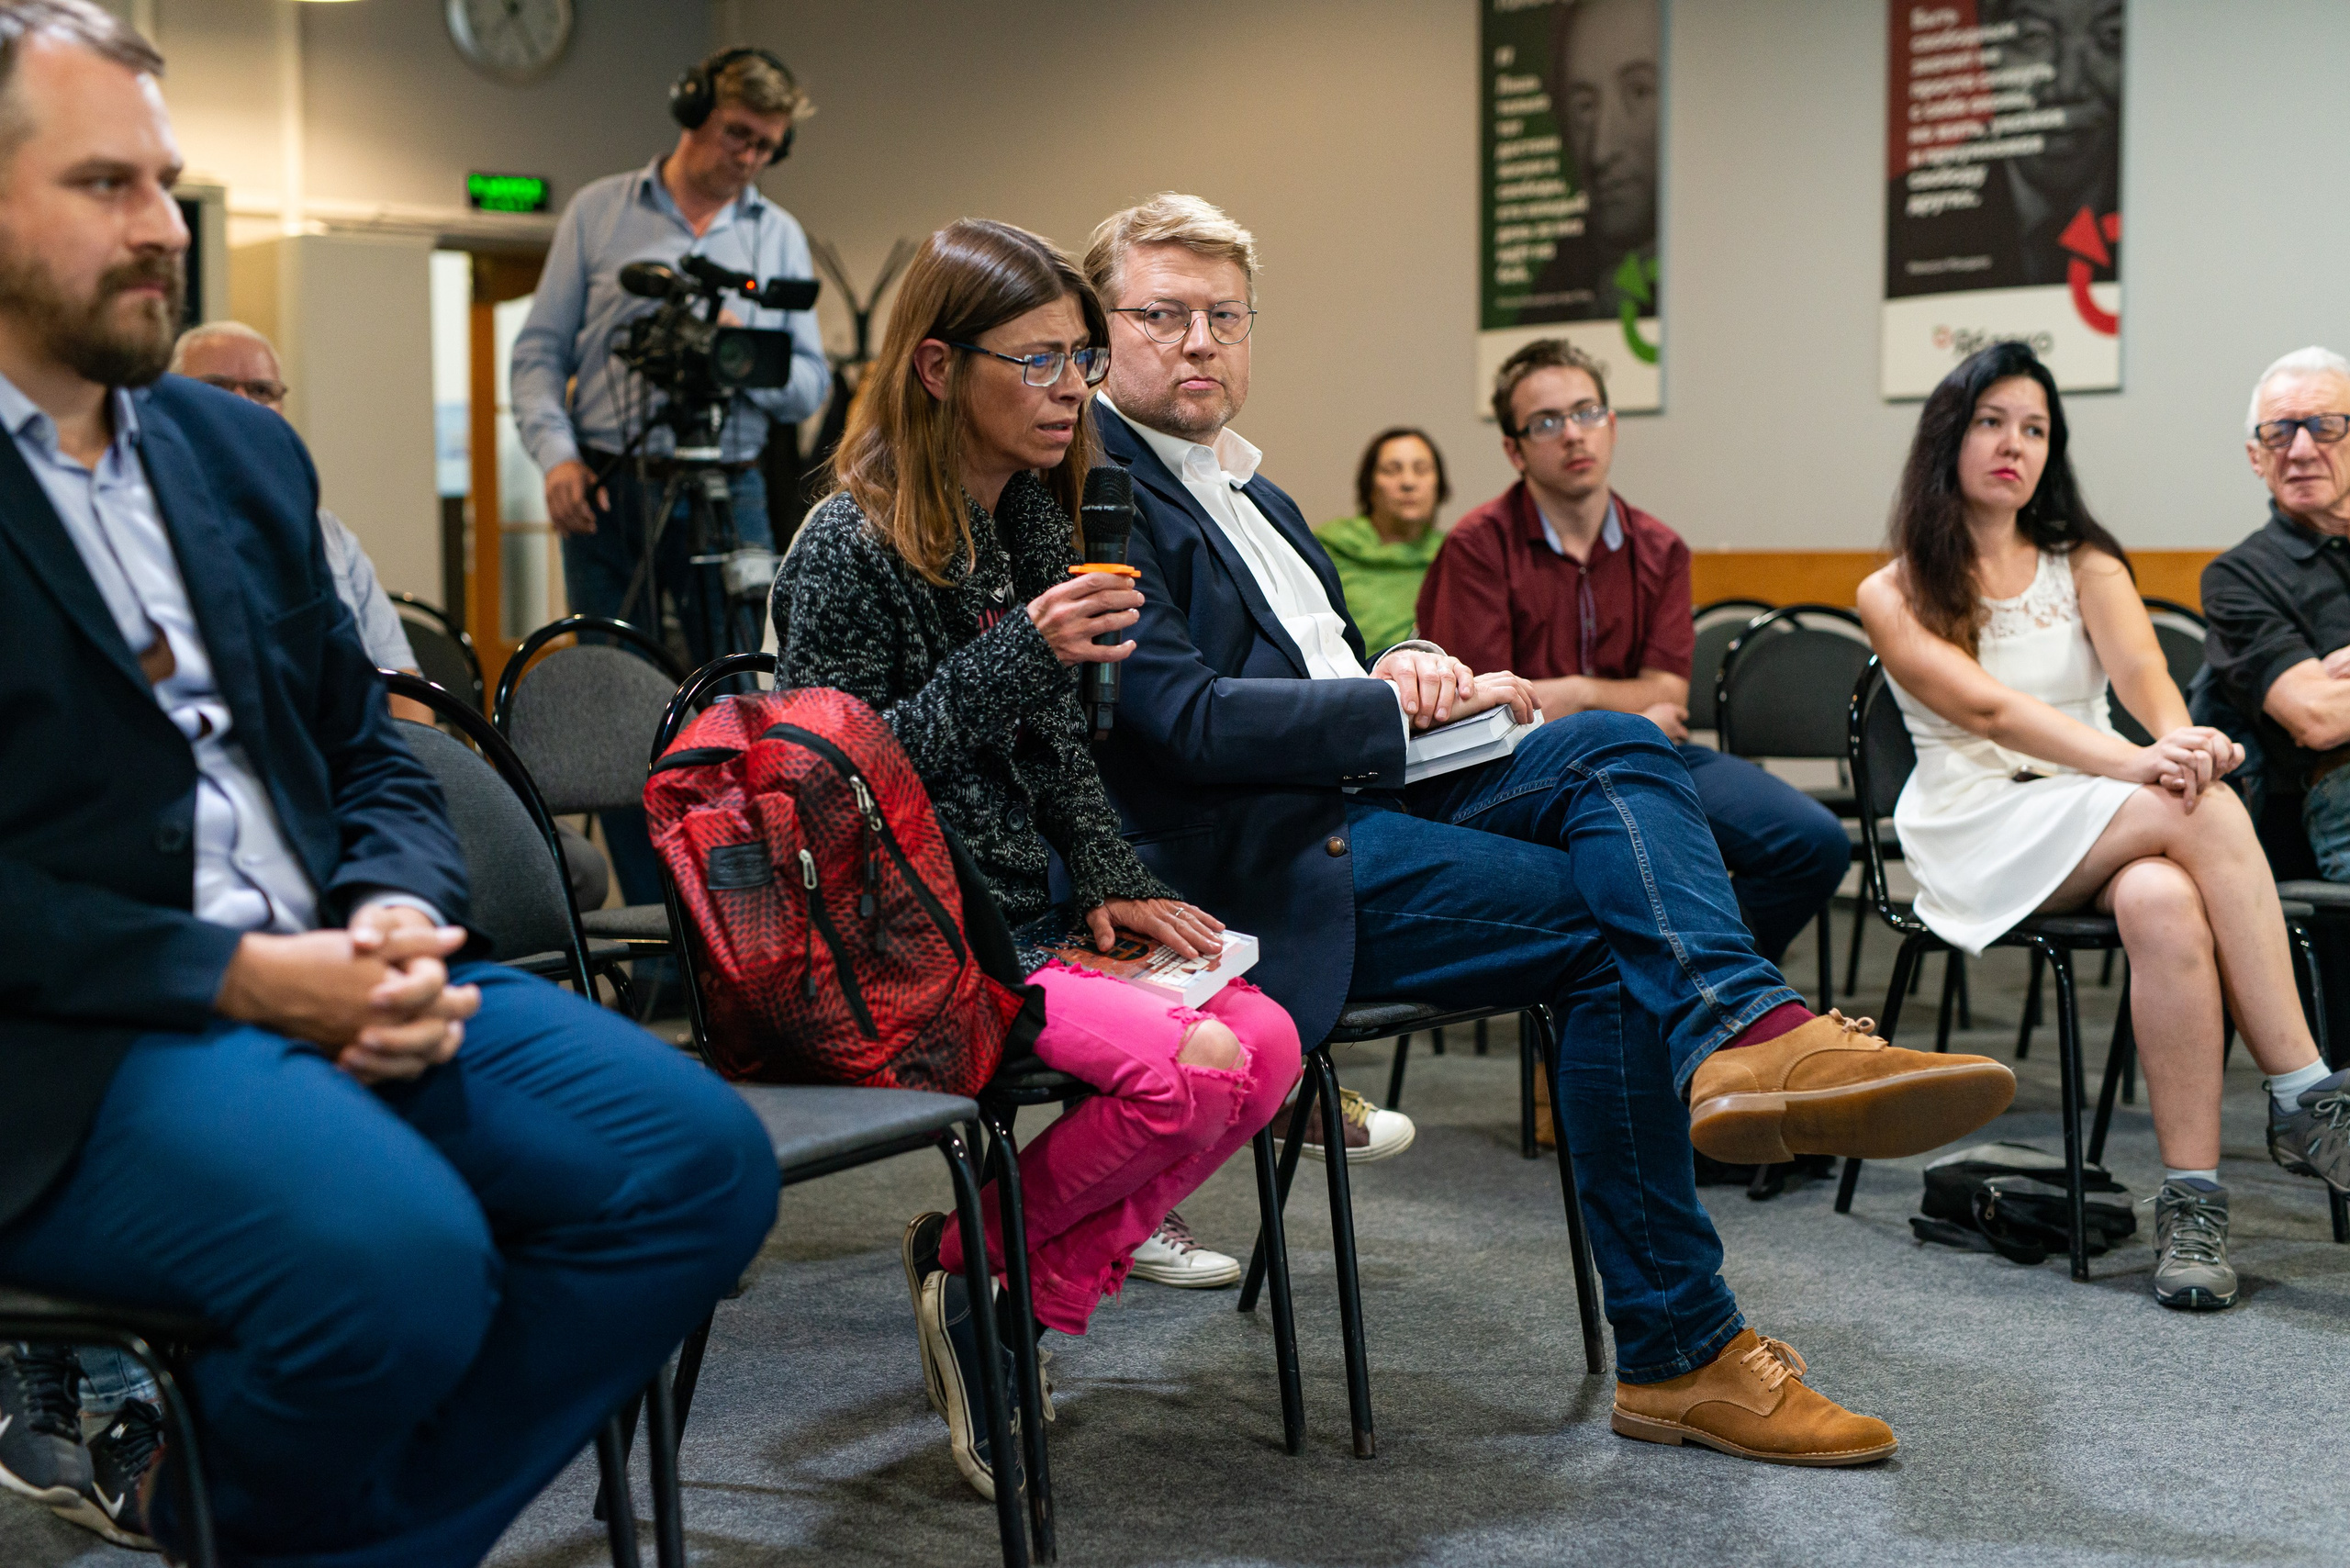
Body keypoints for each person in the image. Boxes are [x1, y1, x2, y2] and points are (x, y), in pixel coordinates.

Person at [0, 6, 777, 1561]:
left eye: (165, 181)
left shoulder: (235, 454)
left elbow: (369, 744)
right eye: (104, 184)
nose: (164, 228)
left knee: (698, 1169)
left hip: (344, 962)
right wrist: (246, 978)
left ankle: (249, 1521)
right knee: (400, 1265)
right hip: (78, 1036)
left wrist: (395, 910)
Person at [1083, 192, 2014, 1465]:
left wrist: (1411, 665)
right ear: (1102, 332)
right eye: (1164, 315)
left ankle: (1749, 1037)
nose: (1200, 341)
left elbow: (1321, 665)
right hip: (1261, 856)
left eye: (1225, 317)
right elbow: (1183, 722)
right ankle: (1684, 1340)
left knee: (1619, 744)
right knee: (1611, 932)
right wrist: (1379, 706)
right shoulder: (1094, 494)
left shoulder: (1259, 492)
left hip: (1365, 787)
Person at [767, 218, 1302, 1500]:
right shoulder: (846, 545)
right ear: (939, 368)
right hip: (906, 936)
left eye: (1080, 357)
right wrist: (1022, 649)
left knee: (1269, 1047)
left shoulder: (1028, 522)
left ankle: (990, 1282)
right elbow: (837, 796)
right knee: (1181, 1076)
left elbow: (1061, 756)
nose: (1072, 389)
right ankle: (983, 1283)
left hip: (1027, 917)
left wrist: (1118, 879)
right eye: (1040, 360)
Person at [1855, 342, 2350, 1314]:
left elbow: (2145, 679)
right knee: (2198, 808)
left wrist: (2182, 743)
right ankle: (2304, 1091)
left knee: (2163, 898)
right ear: (1948, 438)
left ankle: (2192, 1204)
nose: (2015, 445)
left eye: (2035, 429)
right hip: (1980, 820)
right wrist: (2139, 763)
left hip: (2094, 805)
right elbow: (1990, 713)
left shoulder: (2085, 562)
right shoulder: (1893, 590)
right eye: (1992, 423)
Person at [510, 44, 826, 913]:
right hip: (612, 488)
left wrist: (738, 356)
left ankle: (748, 914)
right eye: (737, 134)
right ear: (693, 111)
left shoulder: (777, 234)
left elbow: (809, 384)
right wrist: (557, 456)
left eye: (767, 145)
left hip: (733, 487)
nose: (749, 157)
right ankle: (657, 932)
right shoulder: (599, 212)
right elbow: (538, 355)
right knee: (617, 710)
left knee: (748, 689)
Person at [1417, 338, 1850, 969]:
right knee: (1604, 866)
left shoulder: (1660, 548)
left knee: (1811, 843)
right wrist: (1629, 715)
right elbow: (1487, 712)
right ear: (1515, 450)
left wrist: (1579, 695)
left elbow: (1668, 693)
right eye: (1546, 422)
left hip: (1652, 750)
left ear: (1612, 425)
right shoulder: (1476, 548)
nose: (1574, 434)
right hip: (1524, 774)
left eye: (1587, 412)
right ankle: (1674, 987)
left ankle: (1696, 984)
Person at [2198, 346, 2350, 1072]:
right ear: (2255, 458)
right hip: (2310, 812)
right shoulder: (2239, 577)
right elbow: (2317, 718)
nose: (2301, 448)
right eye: (2278, 432)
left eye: (2325, 425)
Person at [1313, 427, 1450, 652]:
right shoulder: (1327, 550)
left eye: (1421, 470)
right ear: (1370, 485)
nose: (1408, 482)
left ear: (1439, 484)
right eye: (1392, 470)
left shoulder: (1455, 555)